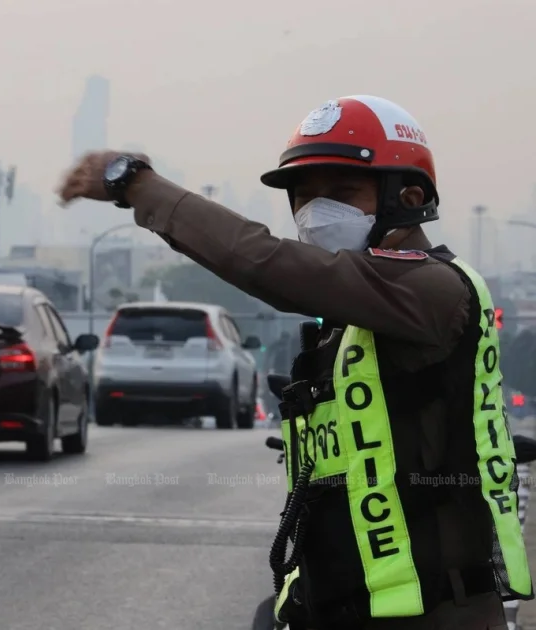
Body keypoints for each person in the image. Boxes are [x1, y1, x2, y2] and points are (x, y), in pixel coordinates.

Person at [57, 95, 532, 630]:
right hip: (345, 605)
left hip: (430, 614)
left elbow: (267, 264)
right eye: (303, 196)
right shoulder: (358, 313)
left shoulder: (427, 286)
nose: (314, 211)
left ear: (410, 196)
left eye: (340, 193)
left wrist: (138, 185)